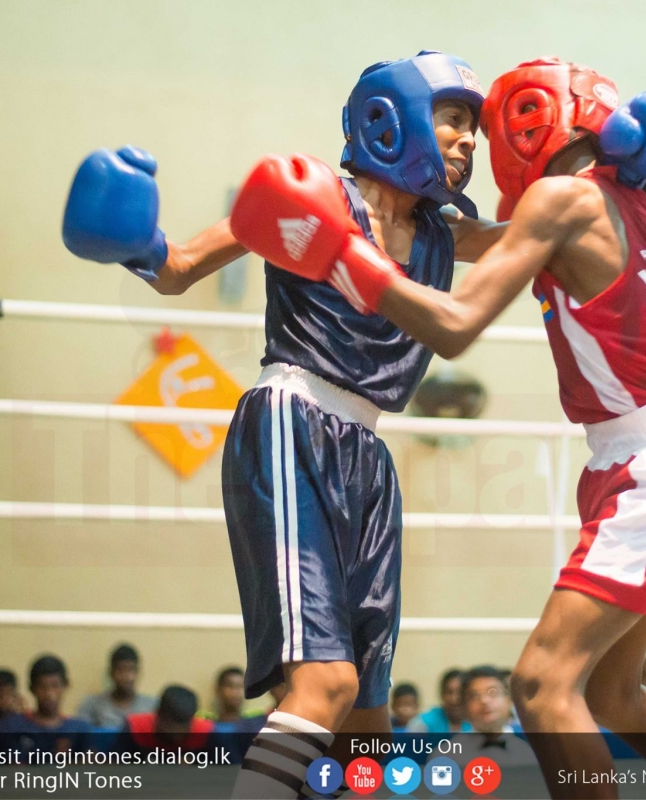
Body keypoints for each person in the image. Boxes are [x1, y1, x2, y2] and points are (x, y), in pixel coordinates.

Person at [229, 57, 646, 799]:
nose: (477, 142)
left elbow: (457, 326)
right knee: (612, 692)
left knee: (542, 685)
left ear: (534, 121)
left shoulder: (562, 198)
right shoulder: (642, 212)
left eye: (485, 127)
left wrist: (342, 256)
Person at [63, 50, 504, 798]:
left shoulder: (443, 234)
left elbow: (533, 240)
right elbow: (179, 267)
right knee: (325, 684)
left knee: (365, 718)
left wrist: (599, 193)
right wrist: (136, 240)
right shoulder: (310, 194)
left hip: (368, 453)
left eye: (473, 128)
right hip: (292, 422)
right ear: (393, 118)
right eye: (453, 119)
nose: (467, 140)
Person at [0, 655, 90, 761]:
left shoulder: (80, 729)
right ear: (32, 688)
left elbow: (90, 765)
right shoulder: (12, 726)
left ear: (65, 686)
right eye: (42, 687)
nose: (49, 694)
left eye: (55, 685)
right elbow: (12, 767)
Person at [449, 665, 536, 767]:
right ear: (464, 707)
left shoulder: (529, 752)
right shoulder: (449, 756)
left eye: (493, 692)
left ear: (509, 700)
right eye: (474, 696)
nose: (484, 701)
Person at [76, 643, 157, 728]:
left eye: (131, 669)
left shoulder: (152, 707)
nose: (126, 676)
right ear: (111, 673)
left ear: (138, 672)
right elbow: (81, 734)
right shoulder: (92, 705)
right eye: (120, 670)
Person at [117, 685, 215, 754]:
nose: (177, 735)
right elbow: (114, 768)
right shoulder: (135, 728)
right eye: (171, 728)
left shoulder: (206, 733)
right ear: (158, 714)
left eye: (183, 730)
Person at [408, 668, 470, 733]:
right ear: (442, 694)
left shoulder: (473, 723)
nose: (454, 699)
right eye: (449, 692)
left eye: (460, 692)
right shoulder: (423, 724)